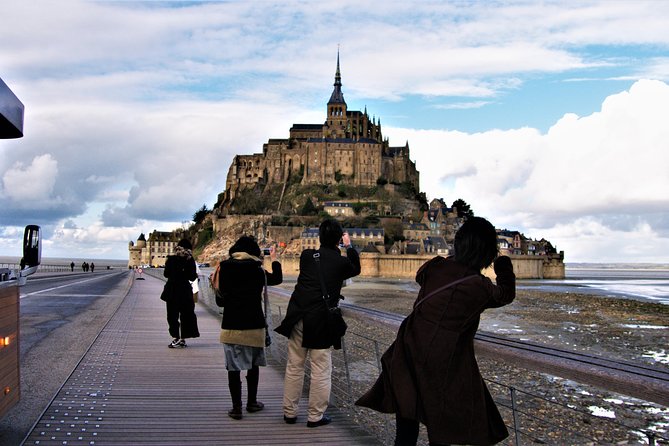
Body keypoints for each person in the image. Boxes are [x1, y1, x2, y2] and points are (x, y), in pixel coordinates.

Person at [355, 216, 516, 446]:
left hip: (407, 357)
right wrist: (502, 264)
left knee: (405, 435)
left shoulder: (435, 267)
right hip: (441, 369)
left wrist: (455, 259)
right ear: (486, 253)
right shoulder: (478, 287)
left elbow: (421, 276)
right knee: (441, 435)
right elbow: (505, 294)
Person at [275, 219, 361, 428]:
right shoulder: (341, 262)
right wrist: (349, 246)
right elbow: (355, 269)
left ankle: (290, 413)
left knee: (294, 367)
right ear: (339, 238)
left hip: (298, 317)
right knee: (320, 369)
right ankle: (315, 416)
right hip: (321, 321)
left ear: (320, 237)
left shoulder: (306, 256)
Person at [217, 236, 282, 420]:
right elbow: (277, 278)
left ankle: (236, 408)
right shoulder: (257, 270)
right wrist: (274, 259)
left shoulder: (224, 267)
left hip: (232, 325)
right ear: (254, 252)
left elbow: (220, 300)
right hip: (254, 324)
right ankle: (252, 402)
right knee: (253, 367)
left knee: (233, 369)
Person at [162, 238, 200, 348]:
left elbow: (166, 274)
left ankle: (175, 337)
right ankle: (183, 338)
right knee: (186, 315)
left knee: (172, 315)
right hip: (184, 290)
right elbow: (192, 277)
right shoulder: (190, 260)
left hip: (171, 290)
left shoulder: (171, 259)